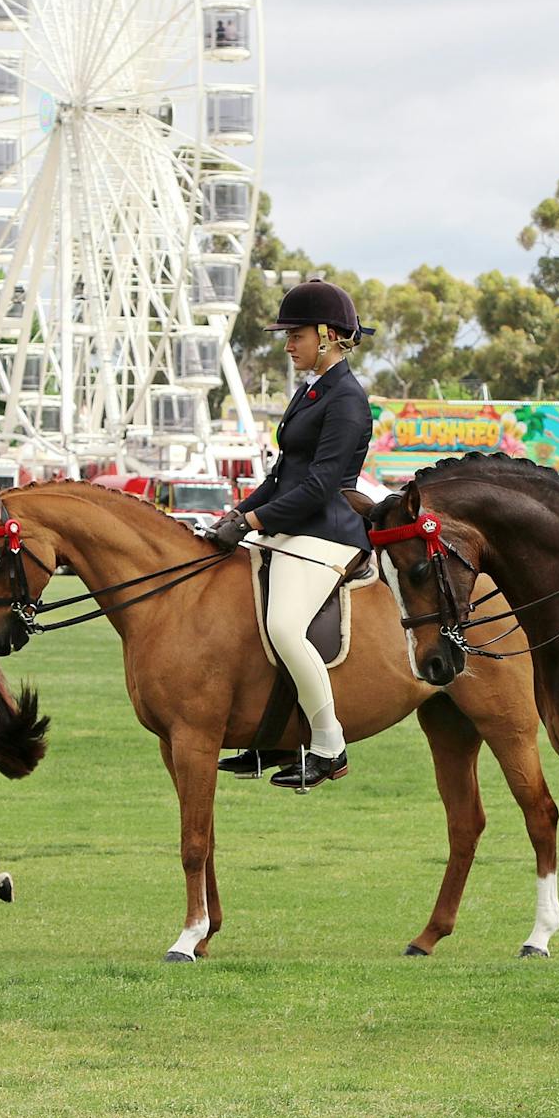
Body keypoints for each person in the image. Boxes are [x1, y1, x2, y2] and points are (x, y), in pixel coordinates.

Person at [207, 280, 374, 790]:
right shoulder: (312, 391)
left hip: (327, 533)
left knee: (282, 626)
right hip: (291, 527)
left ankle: (329, 744)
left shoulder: (347, 399)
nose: (287, 344)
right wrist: (235, 514)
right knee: (242, 613)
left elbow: (322, 486)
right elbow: (282, 477)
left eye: (294, 335)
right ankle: (271, 739)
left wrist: (254, 523)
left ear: (326, 336)